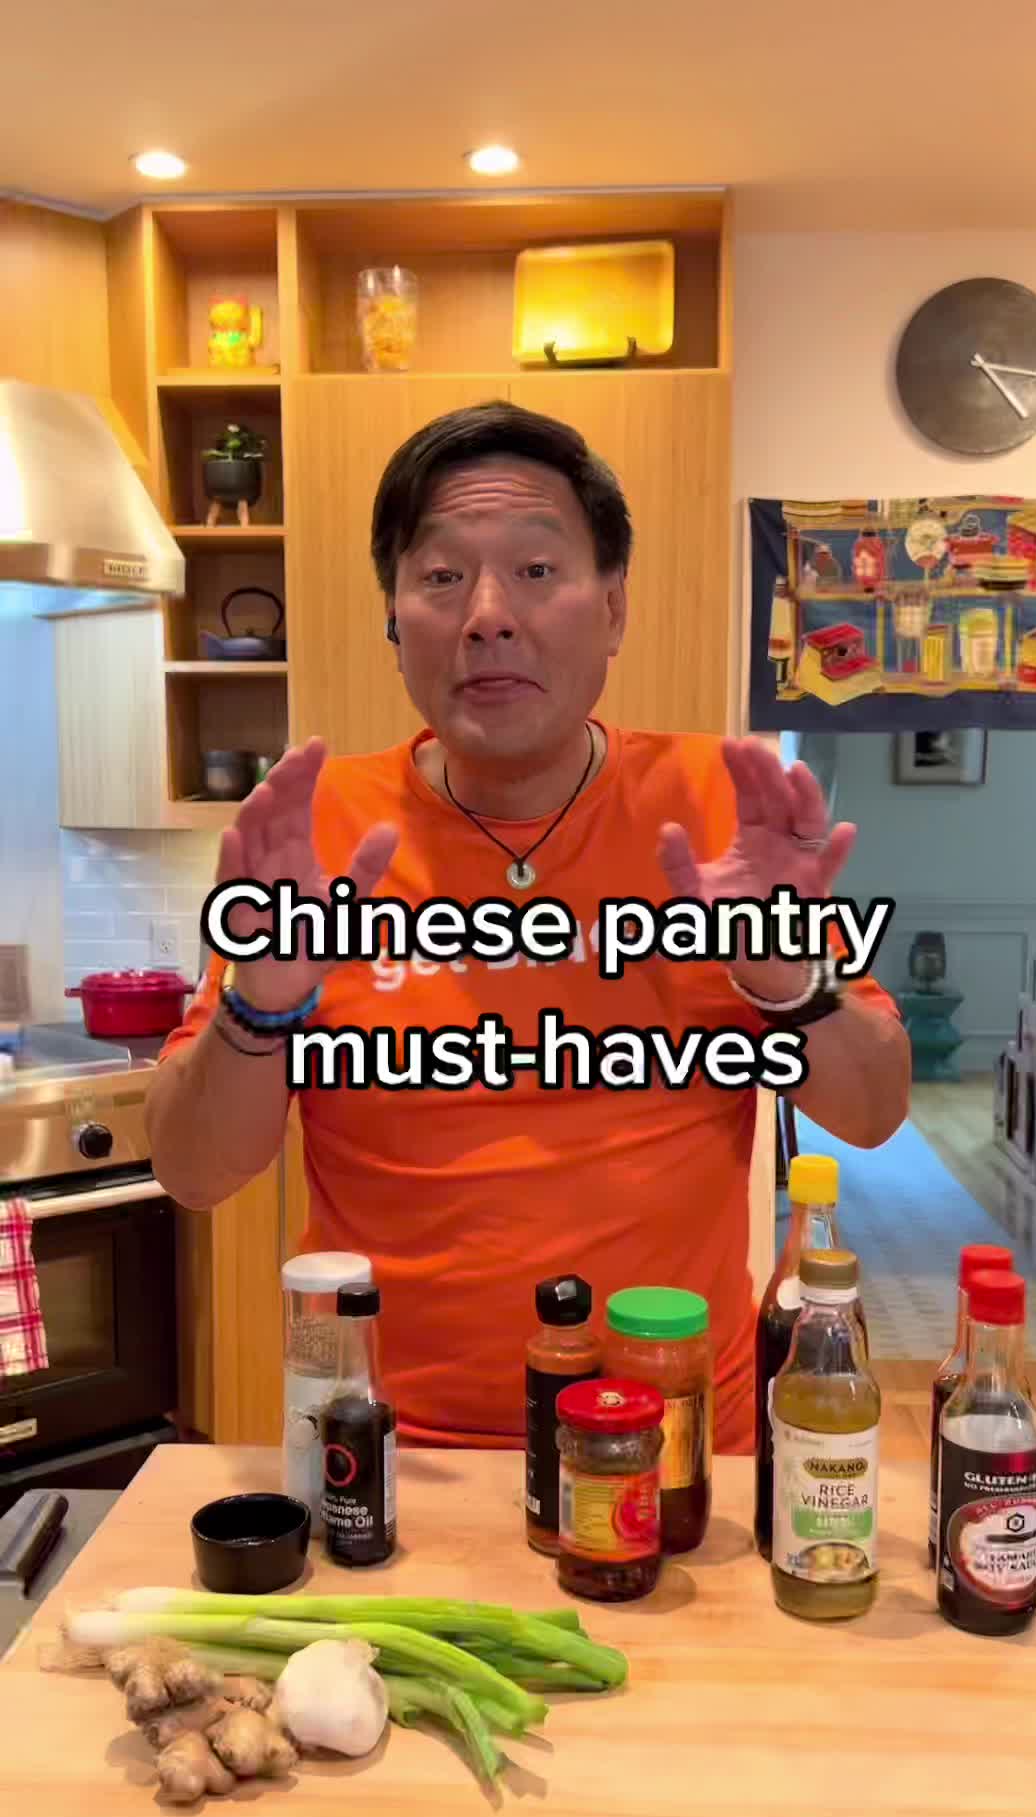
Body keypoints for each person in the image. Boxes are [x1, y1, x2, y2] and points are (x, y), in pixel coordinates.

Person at [148, 401, 909, 1452]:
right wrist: (265, 1001)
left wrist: (784, 976)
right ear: (394, 619)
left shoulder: (716, 810)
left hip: (678, 1449)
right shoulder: (319, 832)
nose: (487, 616)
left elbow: (871, 1112)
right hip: (388, 1456)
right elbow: (192, 1172)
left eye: (537, 570)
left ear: (614, 608)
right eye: (441, 576)